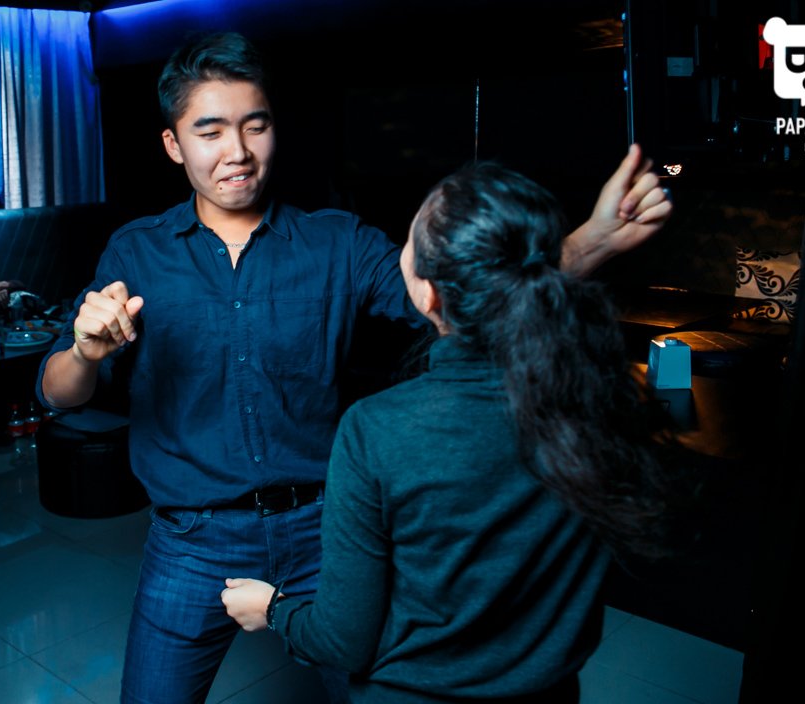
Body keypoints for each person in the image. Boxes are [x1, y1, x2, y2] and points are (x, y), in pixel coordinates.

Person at [38, 32, 671, 704]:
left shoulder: (338, 241)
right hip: (191, 541)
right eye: (211, 131)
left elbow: (471, 291)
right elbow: (57, 393)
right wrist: (84, 353)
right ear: (174, 144)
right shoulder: (136, 252)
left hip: (327, 533)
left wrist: (593, 240)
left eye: (256, 126)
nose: (238, 152)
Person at [221, 162, 680, 703]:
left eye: (412, 242)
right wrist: (593, 239)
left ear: (428, 295)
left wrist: (273, 608)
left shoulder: (376, 431)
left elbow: (343, 641)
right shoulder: (603, 402)